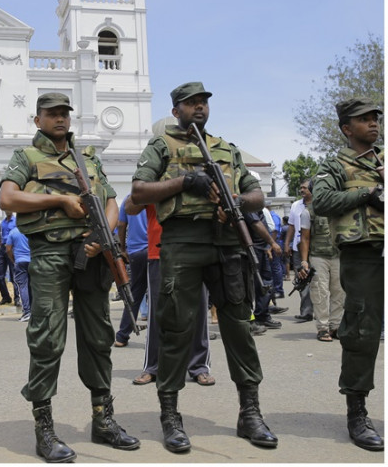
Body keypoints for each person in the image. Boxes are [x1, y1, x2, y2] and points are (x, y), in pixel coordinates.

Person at [131, 82, 277, 452]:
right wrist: (185, 181)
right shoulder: (162, 146)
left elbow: (257, 194)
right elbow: (138, 193)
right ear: (176, 110)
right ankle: (171, 416)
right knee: (177, 328)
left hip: (228, 244)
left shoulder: (226, 149)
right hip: (182, 244)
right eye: (190, 103)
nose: (198, 108)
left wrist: (236, 201)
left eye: (203, 103)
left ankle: (250, 413)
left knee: (238, 328)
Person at [0, 92, 139, 462]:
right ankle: (44, 428)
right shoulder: (26, 157)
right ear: (38, 120)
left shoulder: (88, 158)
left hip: (91, 257)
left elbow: (110, 201)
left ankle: (103, 419)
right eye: (52, 114)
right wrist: (58, 201)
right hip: (49, 256)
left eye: (64, 113)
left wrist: (102, 237)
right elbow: (8, 199)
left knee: (98, 337)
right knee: (47, 338)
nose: (60, 119)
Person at [312, 97, 384, 451]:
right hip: (363, 255)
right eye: (364, 119)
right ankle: (357, 412)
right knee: (362, 332)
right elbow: (321, 201)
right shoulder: (336, 164)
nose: (373, 123)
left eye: (375, 118)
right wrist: (367, 193)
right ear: (346, 128)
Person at [127, 201, 214, 387]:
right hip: (159, 252)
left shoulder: (199, 172)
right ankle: (154, 366)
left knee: (198, 310)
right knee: (158, 313)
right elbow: (130, 206)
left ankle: (199, 366)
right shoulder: (154, 175)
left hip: (197, 249)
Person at [297, 194, 344, 342]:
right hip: (318, 256)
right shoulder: (308, 212)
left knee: (340, 291)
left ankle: (335, 326)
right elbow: (304, 238)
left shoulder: (340, 208)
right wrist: (304, 261)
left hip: (338, 255)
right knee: (320, 292)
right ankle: (323, 328)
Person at [113, 193, 148, 348]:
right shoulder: (156, 195)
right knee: (158, 294)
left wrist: (122, 249)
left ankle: (122, 335)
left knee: (135, 292)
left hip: (135, 252)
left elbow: (121, 225)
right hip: (154, 249)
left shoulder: (128, 199)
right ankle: (157, 337)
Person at [284, 179, 314, 322]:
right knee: (301, 280)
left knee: (319, 281)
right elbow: (291, 226)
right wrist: (286, 244)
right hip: (297, 249)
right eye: (301, 187)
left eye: (305, 188)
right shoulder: (295, 205)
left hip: (315, 250)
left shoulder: (320, 203)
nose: (302, 190)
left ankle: (323, 312)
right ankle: (306, 312)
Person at [6, 225, 31, 321]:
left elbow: (8, 249)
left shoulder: (13, 232)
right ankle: (33, 310)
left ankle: (27, 312)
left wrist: (13, 260)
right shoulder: (29, 230)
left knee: (23, 286)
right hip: (31, 261)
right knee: (31, 286)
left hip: (20, 261)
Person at [0, 210, 17, 306]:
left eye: (10, 209)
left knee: (14, 274)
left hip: (12, 248)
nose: (8, 211)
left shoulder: (16, 221)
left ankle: (17, 298)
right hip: (3, 248)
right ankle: (6, 297)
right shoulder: (3, 222)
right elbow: (1, 234)